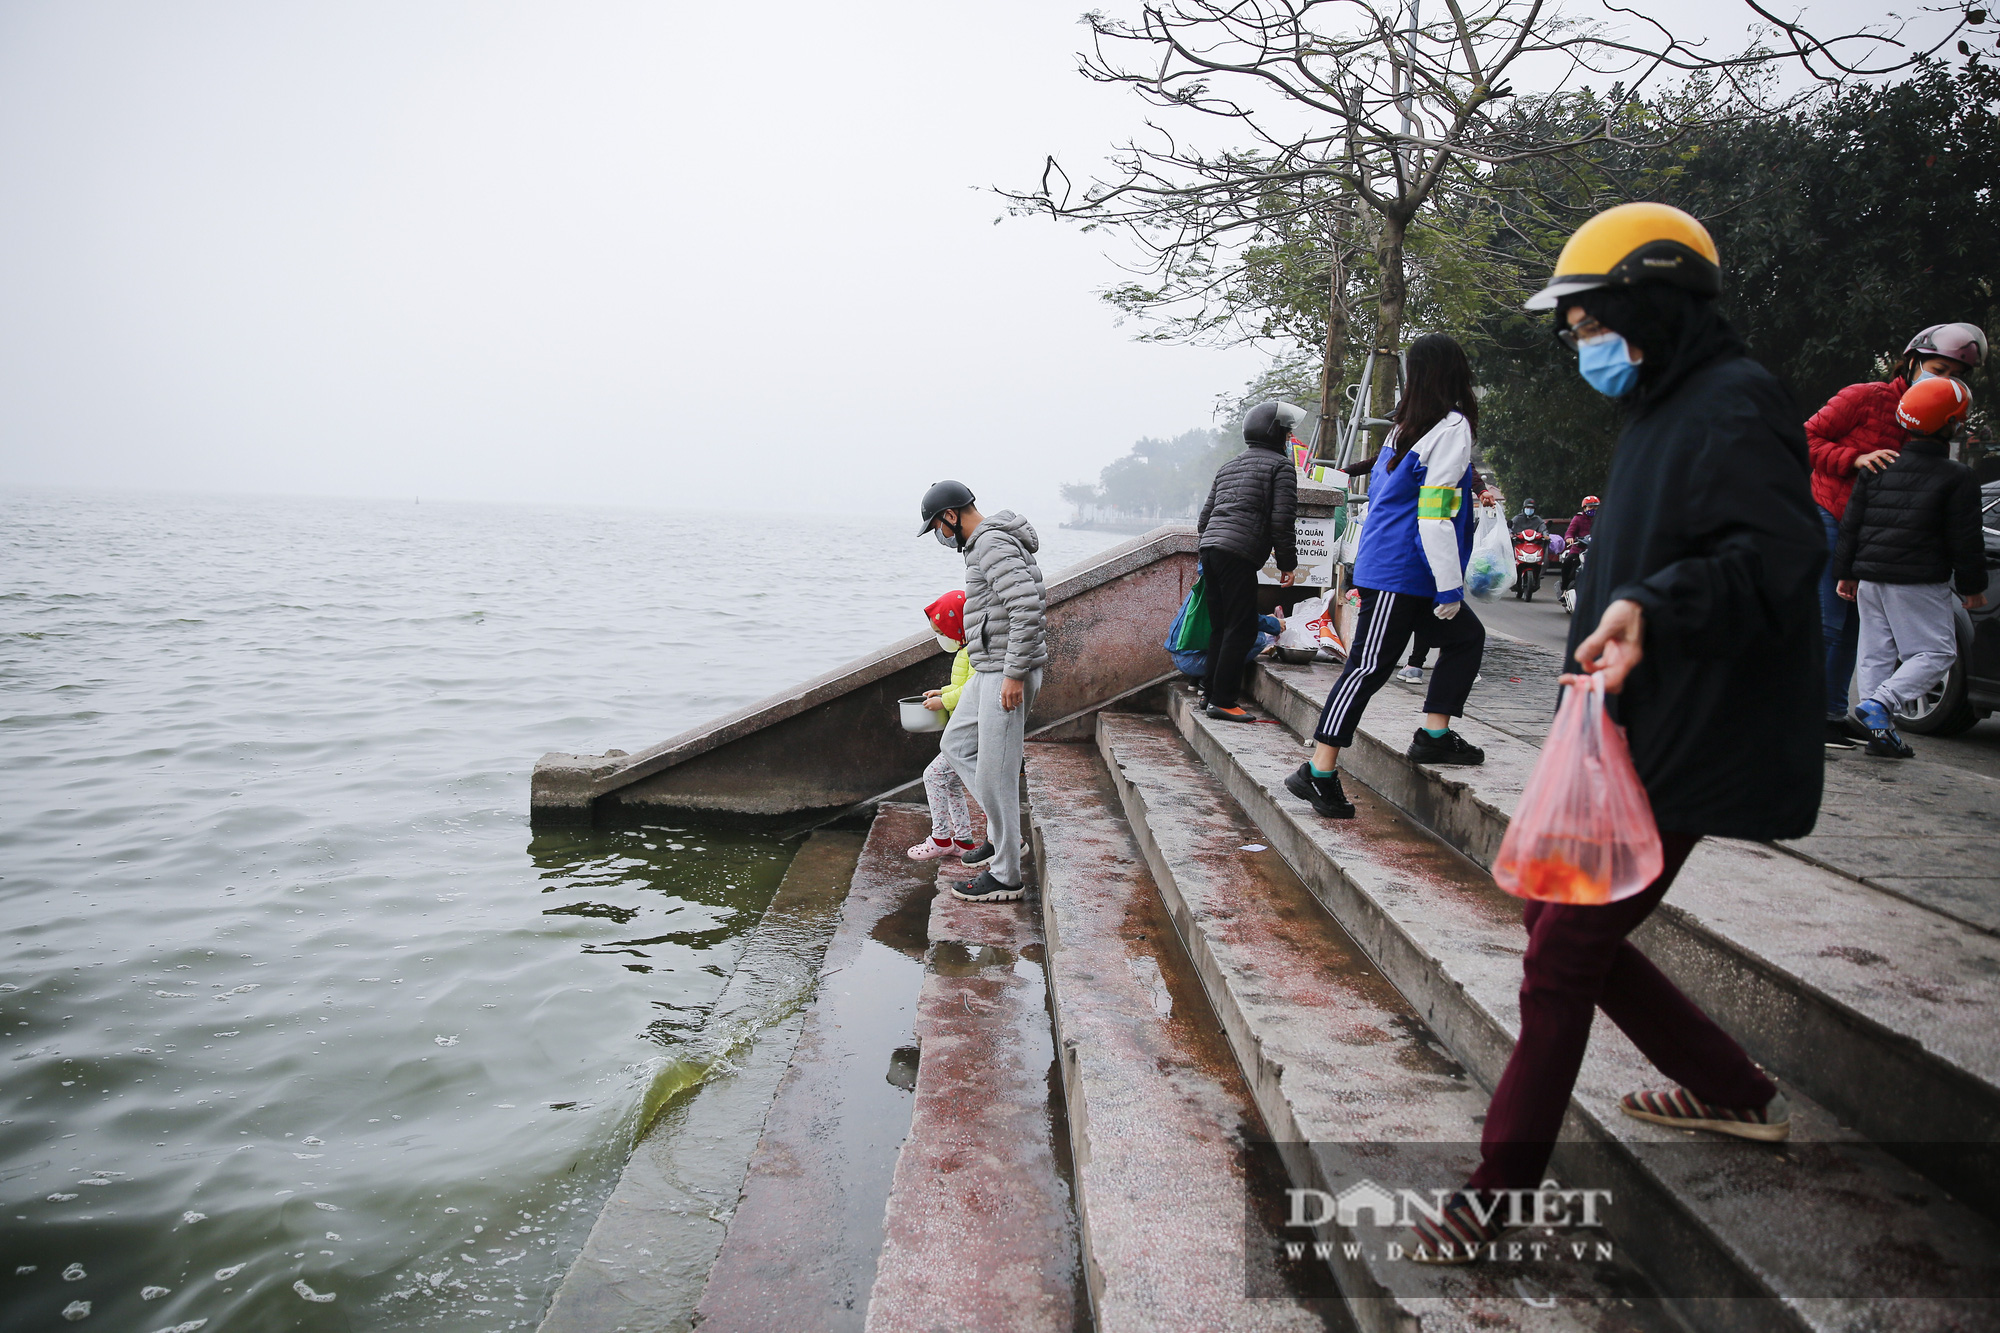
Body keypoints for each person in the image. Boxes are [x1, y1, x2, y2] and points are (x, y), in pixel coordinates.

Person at [1408, 203, 1823, 1263]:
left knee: (1559, 959)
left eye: (1589, 321)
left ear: (1649, 304)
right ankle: (1734, 1089)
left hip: (1689, 734)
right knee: (1560, 932)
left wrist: (1651, 602)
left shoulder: (1735, 405)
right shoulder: (1659, 408)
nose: (1579, 344)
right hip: (1622, 727)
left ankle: (1494, 1197)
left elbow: (1773, 565)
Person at [1284, 334, 1487, 822]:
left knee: (1465, 638)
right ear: (1454, 373)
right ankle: (1318, 769)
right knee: (1367, 668)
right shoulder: (1451, 427)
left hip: (1395, 565)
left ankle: (1434, 734)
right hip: (1405, 570)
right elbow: (1435, 514)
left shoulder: (1405, 428)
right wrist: (1449, 585)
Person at [1807, 322, 1987, 749]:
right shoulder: (1865, 397)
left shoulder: (1932, 413)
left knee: (1862, 633)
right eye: (1937, 368)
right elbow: (1805, 437)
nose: (1944, 380)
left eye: (1955, 374)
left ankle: (1837, 712)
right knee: (1832, 622)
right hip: (1833, 511)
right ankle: (1812, 713)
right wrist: (1856, 458)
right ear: (1913, 360)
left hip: (1876, 531)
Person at [917, 481, 1048, 904]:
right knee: (955, 743)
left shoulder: (990, 543)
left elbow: (1026, 606)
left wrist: (1014, 674)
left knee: (997, 775)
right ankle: (1002, 835)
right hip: (987, 670)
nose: (939, 534)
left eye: (938, 524)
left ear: (951, 516)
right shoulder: (983, 544)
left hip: (1005, 673)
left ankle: (1007, 875)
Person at [1196, 401, 1301, 720]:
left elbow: (1204, 518)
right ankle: (1223, 701)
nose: (1288, 438)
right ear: (1276, 435)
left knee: (1221, 626)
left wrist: (1210, 547)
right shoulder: (1281, 467)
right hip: (1238, 554)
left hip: (1211, 550)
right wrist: (1288, 563)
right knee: (1240, 628)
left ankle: (1208, 691)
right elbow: (1282, 519)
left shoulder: (1228, 466)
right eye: (1286, 433)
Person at [907, 590, 982, 862]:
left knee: (933, 776)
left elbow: (976, 690)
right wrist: (942, 691)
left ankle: (940, 838)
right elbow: (964, 686)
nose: (941, 638)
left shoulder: (975, 650)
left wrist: (945, 702)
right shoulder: (967, 648)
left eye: (942, 631)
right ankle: (963, 840)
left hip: (972, 730)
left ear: (957, 624)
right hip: (969, 727)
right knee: (949, 782)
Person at [1560, 496, 1598, 595]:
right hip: (1578, 550)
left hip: (1596, 551)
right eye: (1590, 507)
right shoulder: (1578, 518)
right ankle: (1564, 589)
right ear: (1584, 508)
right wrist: (1569, 538)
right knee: (1568, 563)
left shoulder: (1602, 519)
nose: (1593, 509)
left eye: (1595, 507)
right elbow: (1570, 532)